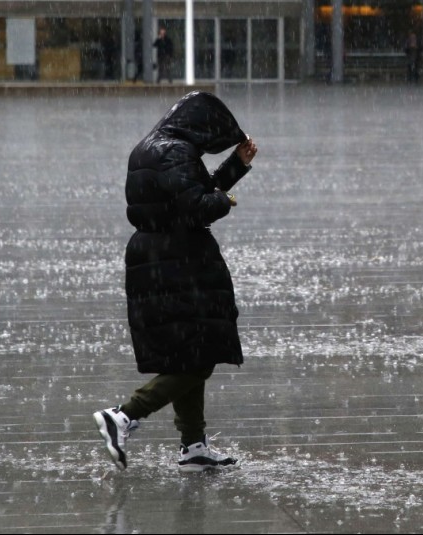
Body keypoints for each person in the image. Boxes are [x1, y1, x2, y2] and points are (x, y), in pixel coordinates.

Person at [94, 91, 258, 473]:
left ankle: (193, 445)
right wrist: (227, 200)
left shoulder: (151, 148)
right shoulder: (175, 152)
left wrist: (235, 166)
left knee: (191, 351)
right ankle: (125, 415)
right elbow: (199, 205)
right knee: (198, 356)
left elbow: (184, 193)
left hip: (157, 257)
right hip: (179, 260)